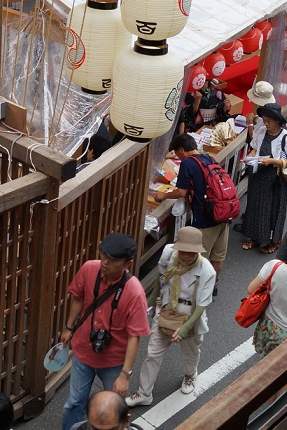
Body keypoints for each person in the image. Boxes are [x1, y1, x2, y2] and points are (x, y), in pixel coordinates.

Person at [59, 233, 149, 430]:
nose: (105, 262)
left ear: (128, 263)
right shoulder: (89, 268)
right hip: (83, 351)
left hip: (113, 361)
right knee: (74, 403)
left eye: (114, 259)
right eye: (103, 255)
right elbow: (78, 297)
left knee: (114, 409)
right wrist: (68, 327)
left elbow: (135, 336)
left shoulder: (134, 292)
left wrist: (125, 375)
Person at [124, 227, 216, 408]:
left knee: (190, 352)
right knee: (152, 354)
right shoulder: (169, 254)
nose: (187, 255)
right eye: (183, 250)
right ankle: (144, 393)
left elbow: (203, 304)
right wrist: (149, 304)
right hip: (167, 308)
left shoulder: (207, 270)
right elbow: (161, 278)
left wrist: (186, 328)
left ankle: (190, 375)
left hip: (191, 314)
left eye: (191, 252)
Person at [153, 134, 230, 292]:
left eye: (177, 153)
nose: (178, 156)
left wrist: (164, 195)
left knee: (200, 258)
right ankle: (213, 284)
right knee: (218, 256)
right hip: (222, 213)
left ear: (181, 150)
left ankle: (198, 290)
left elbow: (181, 191)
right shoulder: (209, 159)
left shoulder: (188, 163)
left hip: (206, 219)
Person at [240, 103, 287, 253]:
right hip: (258, 174)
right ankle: (254, 237)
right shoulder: (260, 131)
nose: (266, 124)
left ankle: (273, 240)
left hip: (275, 179)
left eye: (269, 121)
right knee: (254, 205)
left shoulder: (286, 137)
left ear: (278, 121)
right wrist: (250, 157)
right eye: (264, 120)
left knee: (272, 209)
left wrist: (272, 161)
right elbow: (254, 148)